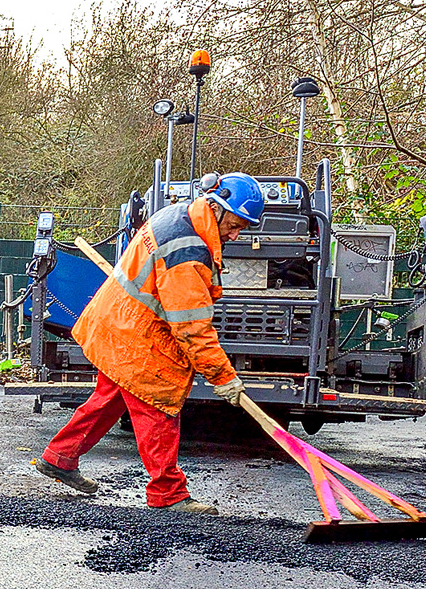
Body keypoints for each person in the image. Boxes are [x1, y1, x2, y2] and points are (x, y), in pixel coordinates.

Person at [31, 172, 266, 514]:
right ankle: (168, 494)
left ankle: (60, 457)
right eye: (235, 223)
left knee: (108, 399)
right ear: (216, 206)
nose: (236, 233)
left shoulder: (180, 214)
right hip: (138, 337)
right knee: (158, 409)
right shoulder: (186, 252)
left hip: (117, 323)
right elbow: (192, 327)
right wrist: (223, 377)